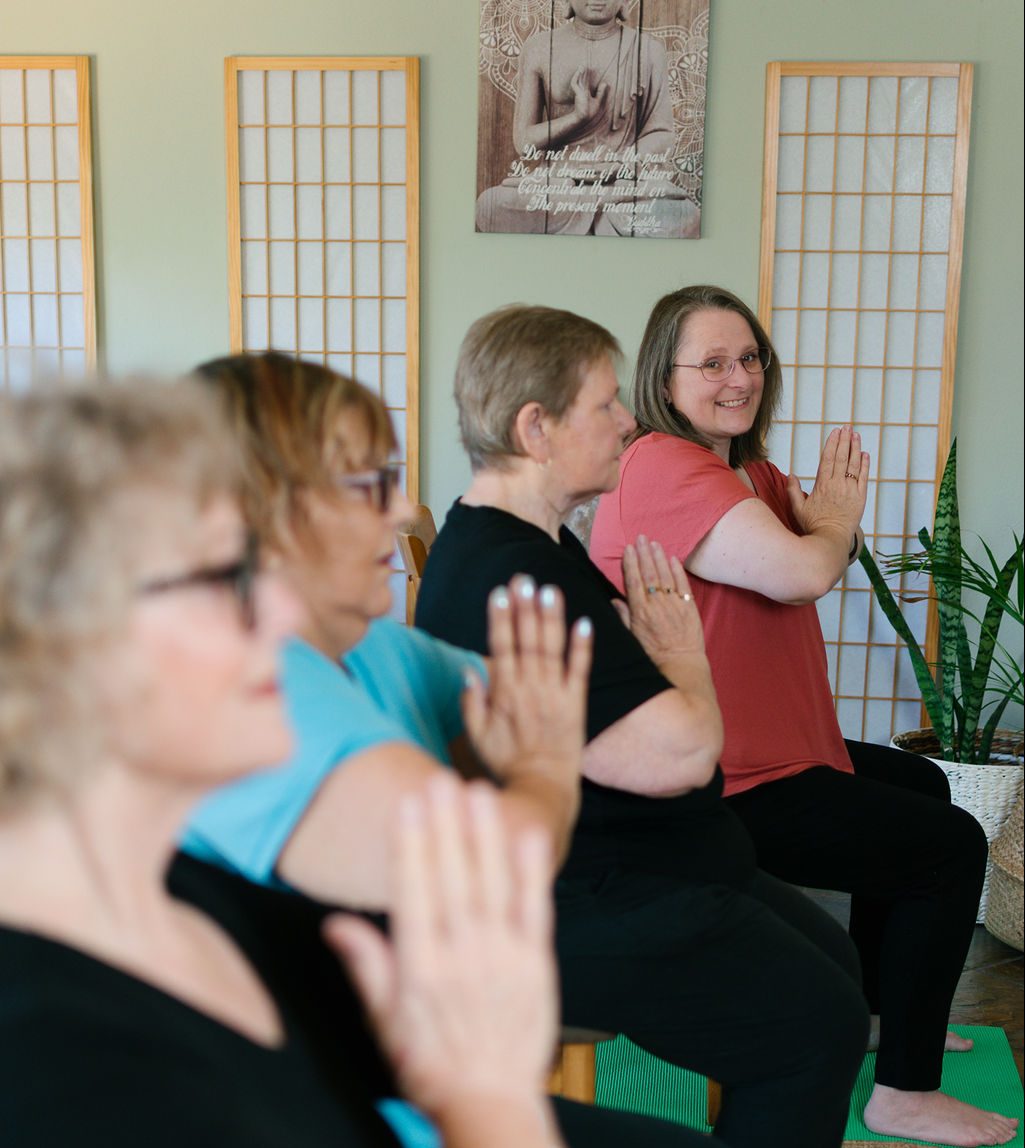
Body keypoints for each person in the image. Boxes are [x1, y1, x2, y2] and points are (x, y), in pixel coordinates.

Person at [0, 380, 577, 1148]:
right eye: (227, 579)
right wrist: (491, 1107)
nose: (279, 613)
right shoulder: (55, 1061)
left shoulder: (213, 910)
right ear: (62, 637)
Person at [181, 351, 724, 1148]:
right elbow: (488, 855)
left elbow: (533, 700)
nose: (401, 509)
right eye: (367, 487)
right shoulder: (246, 692)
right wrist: (542, 769)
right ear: (266, 511)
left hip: (388, 1079)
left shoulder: (374, 649)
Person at [415, 304, 872, 1148]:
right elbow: (679, 753)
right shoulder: (517, 578)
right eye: (605, 403)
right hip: (594, 897)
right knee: (813, 1033)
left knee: (833, 973)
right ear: (535, 427)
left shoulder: (518, 544)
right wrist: (682, 655)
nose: (629, 420)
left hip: (649, 868)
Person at [589, 284, 1018, 1148]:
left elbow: (824, 537)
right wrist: (826, 533)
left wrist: (828, 530)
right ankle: (902, 1091)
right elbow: (803, 568)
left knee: (926, 783)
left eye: (747, 358)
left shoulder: (742, 470)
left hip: (773, 750)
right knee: (949, 845)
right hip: (717, 778)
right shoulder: (662, 464)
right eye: (710, 362)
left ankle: (871, 1012)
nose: (737, 377)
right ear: (660, 377)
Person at [476, 0, 698, 237]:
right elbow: (524, 142)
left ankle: (595, 209)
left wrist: (621, 164)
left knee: (685, 215)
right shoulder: (539, 47)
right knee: (491, 205)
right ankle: (601, 216)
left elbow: (661, 133)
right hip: (559, 182)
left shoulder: (649, 50)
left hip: (622, 182)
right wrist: (578, 118)